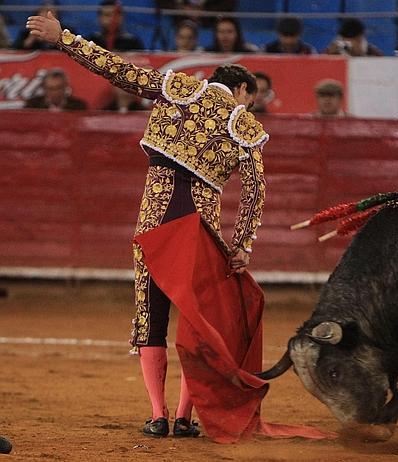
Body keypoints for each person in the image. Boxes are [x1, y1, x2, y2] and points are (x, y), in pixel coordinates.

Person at [27, 11, 266, 439]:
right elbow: (254, 192)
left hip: (154, 221)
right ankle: (184, 418)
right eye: (253, 95)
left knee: (151, 315)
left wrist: (63, 38)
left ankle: (157, 416)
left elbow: (116, 69)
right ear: (243, 90)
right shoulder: (245, 124)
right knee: (198, 324)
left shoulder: (177, 88)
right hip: (197, 230)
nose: (252, 103)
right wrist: (241, 245)